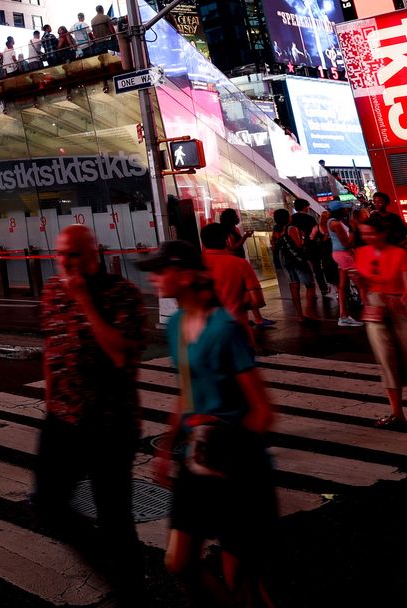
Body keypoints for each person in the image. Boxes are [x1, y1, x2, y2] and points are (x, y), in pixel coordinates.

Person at [141, 242, 276, 604]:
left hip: (233, 462)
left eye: (161, 270)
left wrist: (237, 457)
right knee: (178, 562)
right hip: (195, 458)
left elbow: (262, 409)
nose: (153, 278)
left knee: (241, 575)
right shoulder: (176, 325)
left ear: (186, 275)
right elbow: (187, 392)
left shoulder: (225, 328)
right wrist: (167, 448)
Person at [36, 226, 145, 599]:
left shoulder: (122, 295)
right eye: (61, 254)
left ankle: (131, 589)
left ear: (94, 253)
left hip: (111, 422)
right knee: (48, 503)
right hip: (63, 418)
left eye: (74, 255)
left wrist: (83, 299)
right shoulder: (52, 290)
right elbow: (51, 346)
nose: (66, 262)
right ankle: (112, 571)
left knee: (114, 516)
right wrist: (50, 401)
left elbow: (120, 355)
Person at [352, 214, 407, 426]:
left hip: (400, 303)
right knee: (385, 359)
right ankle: (397, 412)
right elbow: (364, 288)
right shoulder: (361, 253)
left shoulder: (399, 253)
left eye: (372, 233)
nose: (368, 238)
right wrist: (360, 283)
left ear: (383, 233)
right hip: (375, 305)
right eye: (364, 234)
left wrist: (401, 301)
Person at [270, 207, 314, 317]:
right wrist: (303, 239)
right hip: (297, 260)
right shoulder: (291, 228)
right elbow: (299, 244)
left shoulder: (275, 231)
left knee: (294, 287)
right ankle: (309, 311)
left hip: (284, 260)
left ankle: (300, 315)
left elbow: (274, 247)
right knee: (310, 285)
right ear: (287, 217)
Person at [327, 203, 365, 327]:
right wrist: (354, 229)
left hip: (339, 254)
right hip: (343, 255)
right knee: (361, 283)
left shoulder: (331, 222)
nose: (346, 210)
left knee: (342, 286)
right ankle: (371, 312)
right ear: (340, 210)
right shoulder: (336, 224)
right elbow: (347, 243)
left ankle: (343, 316)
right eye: (345, 208)